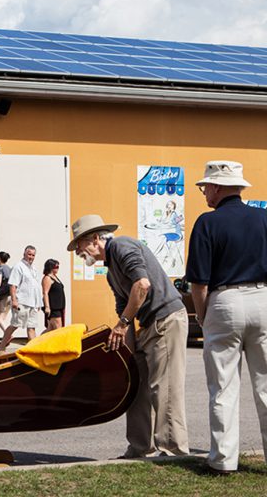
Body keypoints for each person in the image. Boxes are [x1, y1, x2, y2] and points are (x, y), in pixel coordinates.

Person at [68, 214, 189, 459]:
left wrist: (122, 325)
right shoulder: (110, 269)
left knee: (164, 388)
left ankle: (174, 450)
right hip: (148, 324)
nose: (78, 251)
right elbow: (123, 305)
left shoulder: (122, 246)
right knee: (136, 386)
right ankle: (140, 447)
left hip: (166, 319)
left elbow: (142, 285)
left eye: (79, 245)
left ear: (94, 239)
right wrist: (129, 354)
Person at [186, 160, 267, 475]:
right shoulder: (263, 218)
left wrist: (204, 318)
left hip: (224, 300)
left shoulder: (207, 223)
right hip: (263, 298)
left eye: (206, 186)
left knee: (223, 387)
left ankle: (223, 461)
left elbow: (199, 283)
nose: (204, 191)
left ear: (217, 187)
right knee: (266, 387)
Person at [0, 246, 43, 354]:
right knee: (15, 324)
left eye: (33, 255)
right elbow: (13, 285)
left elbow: (35, 287)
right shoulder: (18, 267)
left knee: (32, 327)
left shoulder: (33, 268)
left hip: (33, 303)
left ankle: (34, 351)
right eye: (29, 254)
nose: (31, 257)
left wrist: (38, 302)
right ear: (24, 254)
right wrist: (14, 300)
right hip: (22, 301)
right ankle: (1, 347)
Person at [42, 258, 66, 332]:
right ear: (51, 267)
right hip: (54, 309)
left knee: (50, 330)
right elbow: (45, 293)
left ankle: (40, 342)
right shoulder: (47, 278)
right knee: (58, 330)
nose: (58, 269)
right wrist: (47, 307)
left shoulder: (55, 277)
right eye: (56, 267)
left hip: (59, 308)